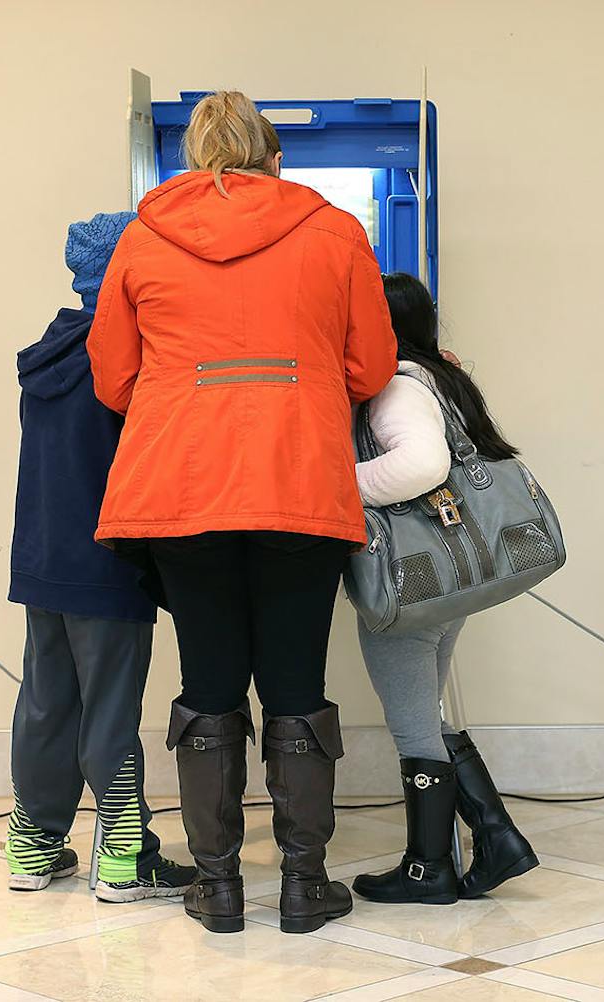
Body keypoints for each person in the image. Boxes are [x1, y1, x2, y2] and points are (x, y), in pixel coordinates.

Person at [87, 91, 397, 934]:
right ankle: (304, 884)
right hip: (297, 479)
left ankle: (218, 887)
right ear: (275, 159)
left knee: (209, 680)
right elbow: (371, 367)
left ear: (191, 160)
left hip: (182, 487)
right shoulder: (335, 231)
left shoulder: (143, 237)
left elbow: (113, 378)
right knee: (298, 682)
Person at [5, 211, 194, 902]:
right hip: (106, 561)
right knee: (110, 710)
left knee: (46, 703)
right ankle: (122, 858)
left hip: (42, 559)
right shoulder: (123, 358)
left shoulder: (47, 356)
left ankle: (32, 846)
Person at [348, 272, 539, 905]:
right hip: (451, 580)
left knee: (413, 728)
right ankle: (495, 836)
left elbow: (424, 466)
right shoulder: (442, 377)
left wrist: (335, 482)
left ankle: (429, 868)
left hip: (413, 580)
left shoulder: (398, 385)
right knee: (426, 712)